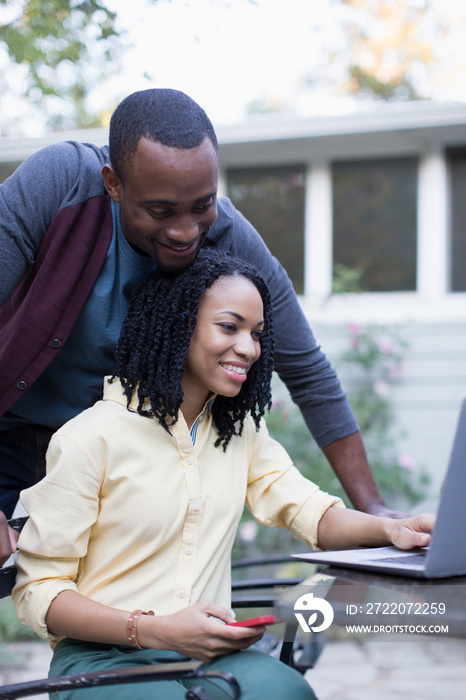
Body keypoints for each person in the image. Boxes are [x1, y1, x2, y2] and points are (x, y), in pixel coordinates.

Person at [0, 88, 402, 565]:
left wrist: (374, 508)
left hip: (114, 454)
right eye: (161, 211)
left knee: (99, 596)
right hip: (13, 427)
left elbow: (307, 370)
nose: (187, 231)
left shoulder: (229, 239)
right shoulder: (61, 184)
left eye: (201, 205)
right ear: (114, 183)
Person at [12, 249, 434, 700]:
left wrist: (391, 528)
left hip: (207, 655)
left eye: (256, 334)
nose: (249, 348)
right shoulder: (89, 439)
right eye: (230, 327)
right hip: (103, 656)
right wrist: (154, 630)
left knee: (289, 692)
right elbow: (40, 591)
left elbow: (313, 513)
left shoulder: (239, 430)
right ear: (178, 327)